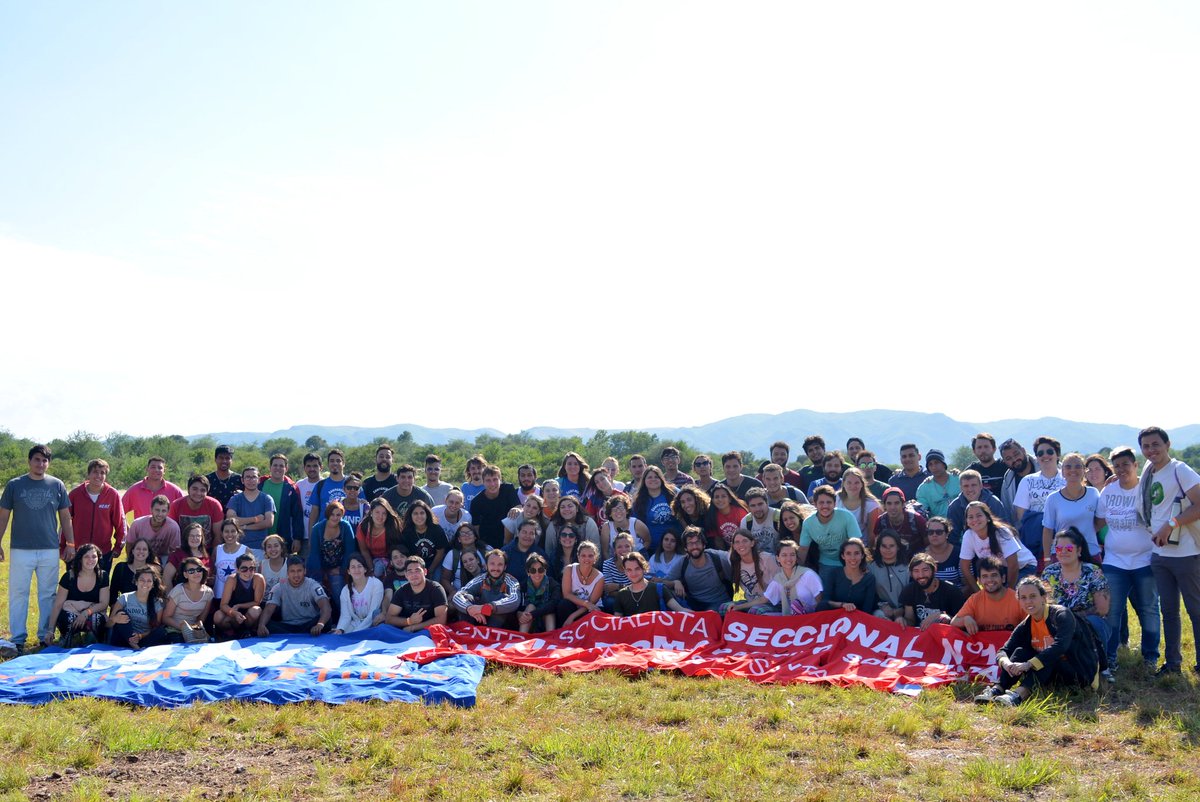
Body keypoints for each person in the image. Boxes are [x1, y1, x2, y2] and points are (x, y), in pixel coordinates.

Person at [974, 576, 1099, 706]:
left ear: (1043, 597)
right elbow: (1003, 650)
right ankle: (997, 689)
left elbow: (1060, 646)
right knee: (1020, 652)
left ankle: (1017, 696)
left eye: (1033, 596)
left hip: (1078, 673)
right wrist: (1007, 663)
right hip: (1049, 675)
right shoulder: (1026, 624)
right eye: (1023, 598)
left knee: (1051, 656)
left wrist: (1028, 664)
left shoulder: (1061, 614)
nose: (1028, 601)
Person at [0, 444, 75, 650]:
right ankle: (18, 638)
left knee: (48, 594)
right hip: (20, 549)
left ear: (48, 463)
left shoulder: (57, 485)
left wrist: (70, 543)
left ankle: (45, 635)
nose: (40, 464)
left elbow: (66, 517)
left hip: (49, 548)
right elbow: (3, 517)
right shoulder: (15, 485)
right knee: (18, 593)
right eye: (37, 459)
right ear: (29, 461)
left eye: (44, 460)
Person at [1096, 445, 1161, 671]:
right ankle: (1110, 658)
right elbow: (1099, 522)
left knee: (1149, 608)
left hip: (1145, 560)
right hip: (1114, 561)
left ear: (1136, 465)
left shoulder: (1148, 488)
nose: (1122, 469)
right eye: (1117, 465)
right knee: (1112, 610)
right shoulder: (1108, 491)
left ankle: (1150, 657)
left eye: (1126, 464)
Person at [1041, 527, 1111, 678]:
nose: (1063, 552)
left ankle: (1102, 668)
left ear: (1079, 550)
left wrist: (1072, 618)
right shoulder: (1049, 573)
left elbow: (1103, 609)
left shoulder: (1092, 571)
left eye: (1068, 548)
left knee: (1096, 623)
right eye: (1059, 548)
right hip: (1057, 621)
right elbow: (1043, 605)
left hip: (1087, 621)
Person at [959, 501, 1037, 594]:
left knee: (1015, 596)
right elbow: (964, 566)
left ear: (988, 518)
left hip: (1024, 567)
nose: (975, 519)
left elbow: (1013, 565)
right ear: (967, 521)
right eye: (970, 517)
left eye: (979, 515)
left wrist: (1009, 593)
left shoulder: (1002, 532)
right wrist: (978, 592)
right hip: (1001, 571)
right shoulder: (968, 535)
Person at [1040, 453, 1104, 565]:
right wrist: (1047, 558)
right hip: (1063, 554)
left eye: (1078, 466)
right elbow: (1048, 530)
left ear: (1084, 470)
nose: (1073, 470)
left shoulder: (1093, 493)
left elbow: (1101, 520)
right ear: (1062, 471)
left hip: (1091, 553)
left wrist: (1086, 532)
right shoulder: (1053, 498)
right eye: (1068, 467)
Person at [43, 544, 109, 647]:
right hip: (71, 613)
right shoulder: (69, 577)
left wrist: (86, 613)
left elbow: (104, 603)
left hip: (91, 614)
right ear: (80, 559)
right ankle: (69, 640)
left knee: (97, 618)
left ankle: (93, 642)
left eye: (94, 556)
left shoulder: (102, 576)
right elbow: (58, 605)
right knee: (67, 617)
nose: (91, 560)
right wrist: (51, 630)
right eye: (86, 557)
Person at [1012, 436, 1066, 560]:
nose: (1045, 455)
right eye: (1040, 453)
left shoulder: (1067, 479)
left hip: (1063, 538)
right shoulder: (1027, 481)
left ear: (1057, 454)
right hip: (1035, 540)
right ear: (1036, 457)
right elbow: (1021, 515)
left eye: (1050, 451)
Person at [798, 485, 862, 591]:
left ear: (835, 503)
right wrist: (797, 571)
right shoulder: (808, 523)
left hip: (849, 561)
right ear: (815, 504)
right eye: (821, 502)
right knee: (826, 593)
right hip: (826, 562)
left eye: (829, 502)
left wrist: (859, 566)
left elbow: (857, 543)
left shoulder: (847, 516)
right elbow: (803, 549)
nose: (825, 506)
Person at [67, 458, 126, 572]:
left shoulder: (112, 495)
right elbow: (65, 521)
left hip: (103, 552)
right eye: (95, 472)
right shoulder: (75, 494)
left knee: (101, 582)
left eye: (102, 473)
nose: (98, 475)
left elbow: (120, 523)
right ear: (88, 474)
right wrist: (65, 546)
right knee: (74, 581)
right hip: (78, 551)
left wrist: (118, 546)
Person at [257, 556, 333, 637]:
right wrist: (261, 625)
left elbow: (326, 607)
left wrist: (320, 624)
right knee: (266, 624)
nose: (296, 575)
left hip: (310, 624)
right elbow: (268, 609)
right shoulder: (278, 587)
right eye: (292, 571)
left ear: (305, 571)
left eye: (299, 571)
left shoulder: (313, 585)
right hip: (287, 626)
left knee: (327, 621)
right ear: (287, 573)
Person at [951, 556, 1025, 635]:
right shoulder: (974, 599)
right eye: (985, 576)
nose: (990, 580)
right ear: (979, 581)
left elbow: (1031, 623)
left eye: (994, 575)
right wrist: (965, 619)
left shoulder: (1017, 599)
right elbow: (953, 622)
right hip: (982, 643)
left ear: (1003, 578)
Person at [666, 527, 733, 612]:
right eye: (690, 543)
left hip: (720, 603)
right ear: (685, 548)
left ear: (704, 545)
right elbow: (662, 584)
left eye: (697, 542)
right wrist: (675, 582)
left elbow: (736, 558)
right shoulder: (683, 563)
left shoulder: (717, 557)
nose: (694, 546)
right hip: (695, 605)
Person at [452, 549, 521, 628]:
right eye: (492, 564)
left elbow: (515, 599)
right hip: (481, 618)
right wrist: (469, 608)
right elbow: (457, 596)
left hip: (502, 624)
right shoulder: (481, 578)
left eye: (500, 564)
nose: (495, 568)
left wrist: (488, 607)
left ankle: (490, 632)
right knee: (467, 598)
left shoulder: (511, 581)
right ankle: (466, 630)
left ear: (505, 567)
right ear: (486, 565)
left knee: (503, 600)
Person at [720, 529, 780, 615]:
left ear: (752, 543)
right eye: (737, 542)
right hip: (750, 602)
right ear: (733, 546)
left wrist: (739, 607)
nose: (741, 545)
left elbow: (776, 591)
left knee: (755, 611)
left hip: (771, 602)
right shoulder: (733, 560)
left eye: (745, 541)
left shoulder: (767, 559)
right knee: (724, 608)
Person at [307, 500, 356, 602]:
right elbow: (314, 555)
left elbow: (350, 551)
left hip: (339, 567)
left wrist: (341, 570)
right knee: (317, 591)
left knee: (338, 590)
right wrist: (320, 575)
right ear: (327, 514)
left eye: (338, 515)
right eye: (332, 514)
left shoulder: (346, 527)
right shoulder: (317, 529)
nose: (335, 517)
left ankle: (341, 611)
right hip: (320, 567)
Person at [900, 552, 965, 629]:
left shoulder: (952, 591)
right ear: (911, 573)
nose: (921, 575)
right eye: (916, 571)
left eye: (925, 570)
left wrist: (943, 616)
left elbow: (963, 623)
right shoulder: (909, 590)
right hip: (920, 633)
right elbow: (910, 621)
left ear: (934, 569)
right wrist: (902, 620)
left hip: (944, 634)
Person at [109, 566, 168, 649]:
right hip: (123, 639)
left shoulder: (157, 603)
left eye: (149, 581)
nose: (145, 583)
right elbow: (107, 625)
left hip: (143, 640)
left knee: (161, 631)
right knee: (121, 613)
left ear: (153, 584)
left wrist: (140, 636)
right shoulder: (125, 598)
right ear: (136, 582)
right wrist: (114, 619)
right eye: (142, 580)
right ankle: (135, 647)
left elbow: (155, 628)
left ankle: (137, 647)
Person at [226, 466, 277, 561]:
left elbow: (268, 522)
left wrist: (245, 527)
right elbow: (231, 520)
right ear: (242, 480)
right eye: (248, 477)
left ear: (259, 480)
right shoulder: (235, 499)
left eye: (254, 477)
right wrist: (255, 519)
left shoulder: (266, 499)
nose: (251, 480)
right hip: (239, 547)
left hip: (261, 548)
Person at [385, 556, 447, 632]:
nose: (414, 574)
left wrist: (413, 627)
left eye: (417, 571)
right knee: (382, 629)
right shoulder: (401, 591)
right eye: (410, 571)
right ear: (406, 575)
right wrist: (409, 621)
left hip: (427, 630)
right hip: (405, 630)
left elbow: (441, 620)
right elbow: (389, 619)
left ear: (425, 572)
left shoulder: (436, 589)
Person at [613, 552, 687, 615]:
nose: (634, 573)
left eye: (637, 569)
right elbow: (617, 622)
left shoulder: (660, 589)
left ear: (644, 568)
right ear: (625, 572)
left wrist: (695, 616)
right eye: (629, 570)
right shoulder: (621, 594)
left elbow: (681, 610)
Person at [161, 556, 214, 643]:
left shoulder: (209, 593)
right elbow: (165, 618)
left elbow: (201, 619)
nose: (196, 573)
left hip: (194, 631)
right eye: (191, 571)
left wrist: (194, 630)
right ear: (185, 574)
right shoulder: (178, 591)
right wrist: (184, 628)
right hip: (174, 629)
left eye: (199, 570)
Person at [763, 539, 823, 615]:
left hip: (809, 617)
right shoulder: (779, 579)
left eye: (792, 555)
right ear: (778, 558)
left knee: (796, 605)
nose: (789, 559)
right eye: (784, 555)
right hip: (788, 616)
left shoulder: (808, 574)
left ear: (796, 557)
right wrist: (746, 606)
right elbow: (764, 599)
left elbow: (820, 603)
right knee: (756, 610)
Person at [213, 552, 265, 639]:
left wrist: (239, 606)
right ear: (237, 569)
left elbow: (257, 602)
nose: (248, 572)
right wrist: (234, 613)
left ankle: (249, 631)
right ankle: (230, 633)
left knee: (256, 610)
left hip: (249, 613)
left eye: (251, 568)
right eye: (244, 569)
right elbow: (223, 605)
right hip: (234, 613)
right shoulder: (232, 579)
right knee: (218, 616)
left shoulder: (258, 578)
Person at [946, 470, 1006, 545]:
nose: (970, 489)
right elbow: (952, 537)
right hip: (968, 545)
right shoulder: (954, 507)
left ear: (981, 486)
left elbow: (1004, 530)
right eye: (966, 486)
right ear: (961, 488)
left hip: (994, 543)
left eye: (973, 485)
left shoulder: (994, 502)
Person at [168, 474, 225, 553]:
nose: (198, 493)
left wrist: (213, 555)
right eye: (195, 489)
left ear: (207, 492)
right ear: (188, 489)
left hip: (207, 550)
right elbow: (171, 534)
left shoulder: (214, 505)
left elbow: (218, 536)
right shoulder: (176, 505)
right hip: (182, 550)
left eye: (202, 490)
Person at [469, 465, 520, 550]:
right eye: (488, 480)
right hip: (488, 542)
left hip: (510, 538)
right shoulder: (476, 502)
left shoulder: (508, 489)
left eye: (495, 479)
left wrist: (517, 509)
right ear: (483, 482)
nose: (492, 484)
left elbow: (519, 507)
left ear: (500, 480)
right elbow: (476, 528)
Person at [260, 455, 304, 553]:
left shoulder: (291, 488)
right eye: (275, 465)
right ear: (270, 467)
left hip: (283, 539)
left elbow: (297, 515)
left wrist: (297, 538)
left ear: (286, 468)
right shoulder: (260, 485)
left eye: (281, 466)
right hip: (261, 537)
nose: (278, 468)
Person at [822, 538, 877, 615]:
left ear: (862, 555)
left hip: (859, 619)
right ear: (843, 556)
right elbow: (824, 602)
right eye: (848, 553)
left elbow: (867, 609)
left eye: (856, 553)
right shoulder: (834, 573)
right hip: (835, 617)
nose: (853, 558)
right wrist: (842, 605)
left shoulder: (869, 578)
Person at [333, 553, 386, 633]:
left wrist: (357, 632)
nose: (356, 570)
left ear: (365, 569)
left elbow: (372, 614)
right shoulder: (345, 590)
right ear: (348, 571)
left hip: (373, 624)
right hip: (356, 624)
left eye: (359, 566)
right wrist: (340, 629)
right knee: (339, 636)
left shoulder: (376, 584)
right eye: (353, 567)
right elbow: (345, 616)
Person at [557, 541, 605, 626]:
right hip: (574, 605)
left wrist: (572, 616)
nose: (587, 559)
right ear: (578, 557)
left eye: (590, 556)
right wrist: (585, 603)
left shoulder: (600, 577)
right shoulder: (569, 569)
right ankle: (563, 631)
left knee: (593, 613)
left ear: (595, 558)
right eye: (583, 556)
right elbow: (567, 594)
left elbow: (592, 603)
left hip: (589, 609)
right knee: (563, 605)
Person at [631, 466, 678, 553]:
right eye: (649, 477)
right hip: (652, 548)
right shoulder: (639, 501)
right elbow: (635, 524)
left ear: (661, 479)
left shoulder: (673, 493)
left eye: (656, 477)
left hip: (676, 545)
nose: (653, 479)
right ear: (644, 481)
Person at [545, 495, 603, 564]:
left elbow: (596, 549)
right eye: (562, 507)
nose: (566, 509)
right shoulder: (553, 525)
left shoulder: (588, 523)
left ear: (577, 509)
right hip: (559, 563)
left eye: (570, 506)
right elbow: (549, 550)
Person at [868, 531, 909, 624]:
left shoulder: (908, 567)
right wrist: (882, 605)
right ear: (878, 547)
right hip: (881, 611)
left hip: (905, 611)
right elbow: (869, 593)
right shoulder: (870, 568)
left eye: (891, 546)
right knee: (879, 617)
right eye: (884, 546)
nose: (888, 549)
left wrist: (902, 610)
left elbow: (914, 593)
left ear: (898, 547)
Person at [357, 497, 404, 578]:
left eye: (384, 513)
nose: (380, 516)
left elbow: (397, 549)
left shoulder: (392, 527)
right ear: (371, 512)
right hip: (370, 559)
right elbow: (364, 551)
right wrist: (371, 569)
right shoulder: (363, 527)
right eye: (377, 512)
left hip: (389, 559)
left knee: (379, 568)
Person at [872, 488, 927, 557]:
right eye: (889, 503)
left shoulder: (916, 519)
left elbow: (928, 543)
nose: (893, 507)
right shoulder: (881, 521)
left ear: (903, 504)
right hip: (891, 557)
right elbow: (877, 546)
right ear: (884, 506)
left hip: (916, 557)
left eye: (897, 503)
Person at [399, 500, 450, 574]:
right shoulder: (407, 532)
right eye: (415, 513)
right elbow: (409, 555)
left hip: (436, 562)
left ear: (427, 514)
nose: (419, 516)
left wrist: (431, 569)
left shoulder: (436, 529)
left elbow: (441, 552)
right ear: (411, 516)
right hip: (415, 564)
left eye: (422, 513)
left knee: (436, 577)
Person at [306, 448, 349, 532]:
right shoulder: (320, 485)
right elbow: (314, 514)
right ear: (328, 464)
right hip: (324, 533)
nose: (335, 463)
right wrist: (311, 537)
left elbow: (362, 509)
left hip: (347, 533)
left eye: (338, 461)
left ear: (343, 463)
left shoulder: (353, 484)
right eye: (332, 461)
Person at [517, 553, 560, 632]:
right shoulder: (522, 586)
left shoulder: (553, 584)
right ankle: (522, 636)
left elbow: (554, 604)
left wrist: (533, 614)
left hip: (545, 619)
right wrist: (521, 615)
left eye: (540, 570)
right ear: (528, 572)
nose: (537, 574)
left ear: (545, 570)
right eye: (533, 571)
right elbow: (518, 608)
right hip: (528, 621)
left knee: (549, 612)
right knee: (530, 607)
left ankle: (550, 637)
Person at [836, 468, 880, 541]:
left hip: (861, 544)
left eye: (856, 483)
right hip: (838, 543)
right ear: (843, 484)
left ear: (862, 484)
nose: (853, 486)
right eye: (849, 483)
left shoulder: (871, 504)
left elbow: (872, 534)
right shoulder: (835, 499)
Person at [163, 523, 212, 588]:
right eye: (191, 536)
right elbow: (166, 578)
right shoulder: (177, 555)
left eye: (198, 536)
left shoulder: (206, 557)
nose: (195, 538)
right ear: (186, 537)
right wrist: (171, 594)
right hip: (181, 592)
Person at [212, 518, 249, 601]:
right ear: (222, 533)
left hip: (237, 597)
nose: (230, 534)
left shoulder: (246, 551)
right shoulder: (217, 550)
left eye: (233, 531)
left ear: (238, 532)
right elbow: (213, 572)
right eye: (226, 531)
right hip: (218, 595)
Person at [501, 519, 547, 588]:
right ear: (518, 533)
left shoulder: (541, 554)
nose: (527, 536)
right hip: (509, 591)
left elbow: (548, 578)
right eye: (524, 532)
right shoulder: (505, 552)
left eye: (531, 533)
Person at [999, 438, 1036, 522]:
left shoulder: (1045, 466)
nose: (1014, 460)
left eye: (1016, 454)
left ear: (1023, 451)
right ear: (1005, 462)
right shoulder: (1007, 483)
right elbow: (1008, 512)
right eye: (1008, 458)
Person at [915, 450, 959, 519]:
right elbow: (920, 510)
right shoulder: (924, 488)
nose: (934, 467)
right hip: (940, 524)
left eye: (937, 462)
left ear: (943, 464)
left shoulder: (958, 479)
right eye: (930, 464)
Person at [705, 484, 750, 549]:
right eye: (716, 497)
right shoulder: (712, 515)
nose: (720, 499)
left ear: (730, 499)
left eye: (723, 496)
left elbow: (747, 534)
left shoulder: (740, 512)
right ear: (713, 500)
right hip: (727, 550)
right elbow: (717, 540)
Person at [739, 487, 781, 555]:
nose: (757, 509)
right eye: (753, 506)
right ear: (748, 507)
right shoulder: (746, 522)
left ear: (767, 503)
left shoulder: (778, 516)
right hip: (756, 557)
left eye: (760, 504)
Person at [923, 516, 962, 587]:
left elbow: (967, 584)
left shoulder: (959, 554)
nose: (934, 535)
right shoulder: (921, 556)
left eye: (939, 532)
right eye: (931, 532)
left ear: (947, 534)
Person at [966, 433, 1007, 499]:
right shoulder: (971, 471)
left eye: (986, 447)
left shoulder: (1005, 466)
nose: (983, 451)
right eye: (979, 447)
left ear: (994, 449)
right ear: (974, 451)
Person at [600, 532, 638, 600]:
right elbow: (608, 590)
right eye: (619, 547)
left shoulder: (638, 563)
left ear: (632, 549)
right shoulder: (607, 564)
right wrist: (627, 588)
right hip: (614, 598)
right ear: (614, 550)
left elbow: (639, 587)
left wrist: (617, 586)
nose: (624, 549)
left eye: (627, 546)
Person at [206, 445, 243, 510]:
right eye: (221, 458)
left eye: (227, 458)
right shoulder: (207, 480)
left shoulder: (240, 479)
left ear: (231, 460)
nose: (224, 461)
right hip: (212, 515)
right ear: (215, 459)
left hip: (235, 515)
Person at [296, 453, 324, 540]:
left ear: (321, 467)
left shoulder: (325, 484)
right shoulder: (299, 485)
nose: (312, 469)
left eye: (315, 466)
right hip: (302, 536)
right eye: (308, 466)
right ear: (304, 468)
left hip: (322, 535)